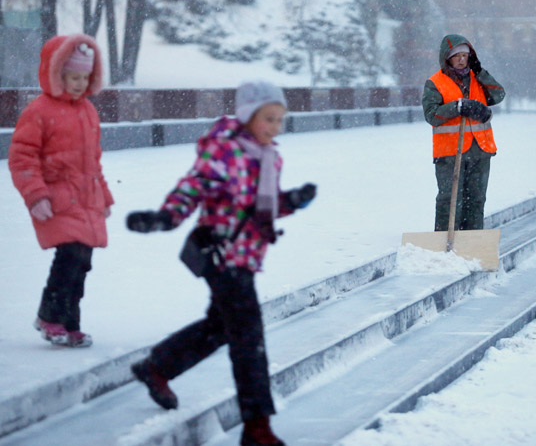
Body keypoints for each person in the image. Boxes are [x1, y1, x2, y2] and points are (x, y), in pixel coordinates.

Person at [126, 80, 316, 446]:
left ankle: (157, 367)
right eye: (269, 119)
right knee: (248, 337)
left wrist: (291, 200)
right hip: (219, 254)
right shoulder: (224, 151)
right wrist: (165, 217)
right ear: (247, 116)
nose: (276, 127)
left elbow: (261, 208)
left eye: (280, 119)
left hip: (246, 256)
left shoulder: (269, 157)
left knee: (220, 327)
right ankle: (257, 426)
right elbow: (192, 187)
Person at [8, 34, 113, 348]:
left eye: (85, 78)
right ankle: (49, 317)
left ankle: (69, 322)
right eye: (73, 77)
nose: (80, 84)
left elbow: (93, 162)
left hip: (86, 200)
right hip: (57, 200)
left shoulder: (88, 111)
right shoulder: (39, 111)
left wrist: (104, 196)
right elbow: (22, 157)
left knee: (81, 263)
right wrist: (35, 195)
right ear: (58, 75)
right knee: (69, 258)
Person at [422, 34, 505, 231]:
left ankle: (472, 238)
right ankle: (445, 239)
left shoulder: (478, 79)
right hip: (450, 152)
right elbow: (432, 115)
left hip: (480, 150)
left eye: (465, 55)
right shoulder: (435, 83)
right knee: (450, 199)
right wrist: (457, 107)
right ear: (447, 57)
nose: (461, 60)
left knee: (476, 199)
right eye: (456, 56)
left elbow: (498, 94)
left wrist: (481, 72)